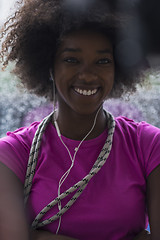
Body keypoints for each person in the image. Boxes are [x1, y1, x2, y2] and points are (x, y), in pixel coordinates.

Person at [0, 0, 160, 239]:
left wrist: (38, 236)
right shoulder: (13, 154)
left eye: (103, 61)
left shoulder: (147, 145)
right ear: (50, 68)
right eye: (71, 60)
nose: (87, 74)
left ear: (118, 68)